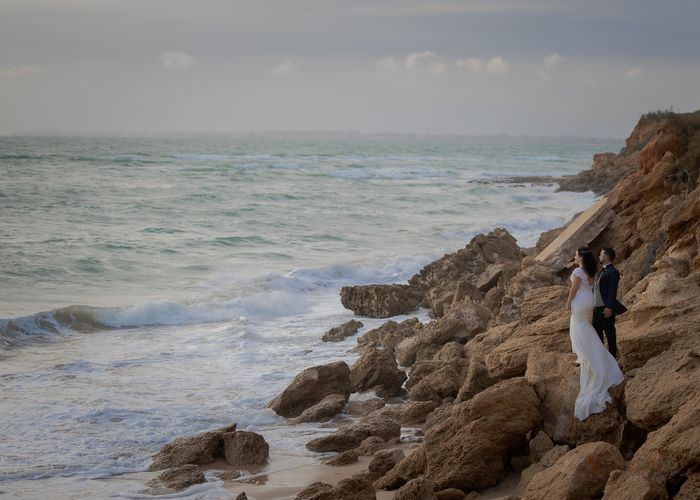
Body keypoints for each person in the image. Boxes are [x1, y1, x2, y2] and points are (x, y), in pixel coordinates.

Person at [566, 247, 624, 421]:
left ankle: (587, 356)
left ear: (581, 257)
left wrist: (568, 303)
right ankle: (593, 354)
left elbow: (574, 288)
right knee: (584, 327)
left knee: (578, 327)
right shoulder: (590, 271)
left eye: (575, 254)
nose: (574, 256)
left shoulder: (578, 270)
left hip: (580, 301)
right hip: (588, 302)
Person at [592, 247, 627, 358]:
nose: (599, 256)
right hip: (596, 308)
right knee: (596, 333)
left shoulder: (613, 272)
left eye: (601, 255)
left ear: (607, 256)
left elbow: (613, 290)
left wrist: (609, 307)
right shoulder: (600, 271)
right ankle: (601, 356)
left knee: (610, 333)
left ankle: (613, 357)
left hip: (605, 308)